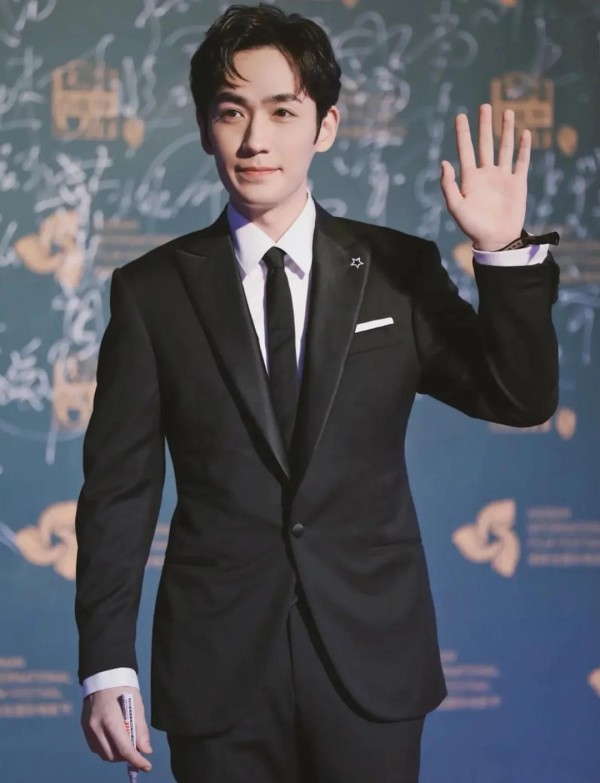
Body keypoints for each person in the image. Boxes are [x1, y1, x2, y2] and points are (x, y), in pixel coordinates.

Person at [75, 5, 559, 783]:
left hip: (371, 658)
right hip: (216, 665)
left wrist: (501, 251)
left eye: (282, 111)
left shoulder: (397, 269)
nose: (255, 140)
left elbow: (518, 397)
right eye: (231, 112)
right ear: (204, 128)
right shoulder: (152, 292)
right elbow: (118, 492)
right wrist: (107, 664)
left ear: (325, 127)